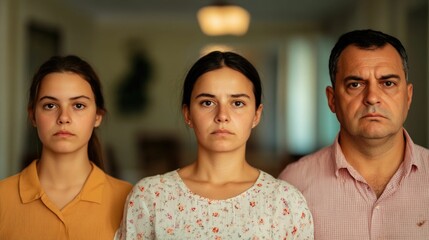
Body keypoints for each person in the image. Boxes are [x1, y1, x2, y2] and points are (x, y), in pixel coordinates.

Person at [116, 51, 314, 239]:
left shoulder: (286, 202)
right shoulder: (151, 197)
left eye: (237, 103)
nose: (222, 116)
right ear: (187, 114)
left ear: (256, 115)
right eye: (207, 103)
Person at [279, 29, 429, 239]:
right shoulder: (293, 186)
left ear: (408, 96)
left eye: (388, 83)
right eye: (355, 84)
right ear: (332, 99)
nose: (372, 97)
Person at [0, 55, 132, 239]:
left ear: (97, 116)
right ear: (32, 116)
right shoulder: (3, 198)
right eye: (50, 105)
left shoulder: (130, 199)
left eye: (78, 105)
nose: (64, 117)